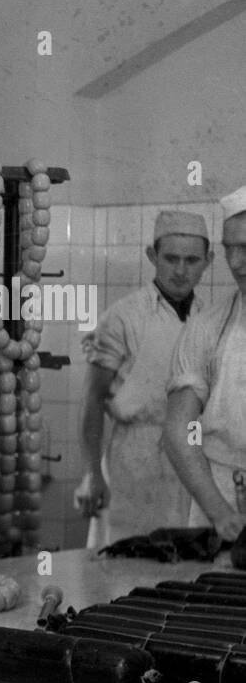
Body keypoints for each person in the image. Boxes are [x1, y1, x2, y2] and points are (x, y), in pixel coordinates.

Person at [76, 210, 212, 546]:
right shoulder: (122, 317)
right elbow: (92, 401)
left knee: (185, 572)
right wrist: (93, 474)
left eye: (192, 260)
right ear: (152, 256)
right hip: (132, 465)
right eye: (171, 259)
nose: (181, 271)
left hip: (191, 462)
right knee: (124, 570)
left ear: (208, 261)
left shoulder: (210, 319)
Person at [164, 186, 246, 542]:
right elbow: (180, 428)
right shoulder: (207, 326)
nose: (237, 263)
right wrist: (221, 513)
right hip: (222, 495)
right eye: (231, 249)